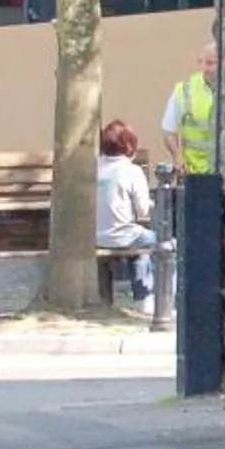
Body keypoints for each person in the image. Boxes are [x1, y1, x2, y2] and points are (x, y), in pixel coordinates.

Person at [96, 119, 157, 315]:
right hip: (123, 235)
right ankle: (147, 297)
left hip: (93, 237)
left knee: (140, 244)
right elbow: (143, 212)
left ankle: (105, 300)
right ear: (129, 146)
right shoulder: (132, 171)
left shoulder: (93, 168)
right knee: (166, 244)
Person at [161, 40, 216, 175]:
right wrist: (177, 157)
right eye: (206, 63)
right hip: (194, 172)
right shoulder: (185, 90)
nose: (210, 69)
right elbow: (168, 130)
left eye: (214, 63)